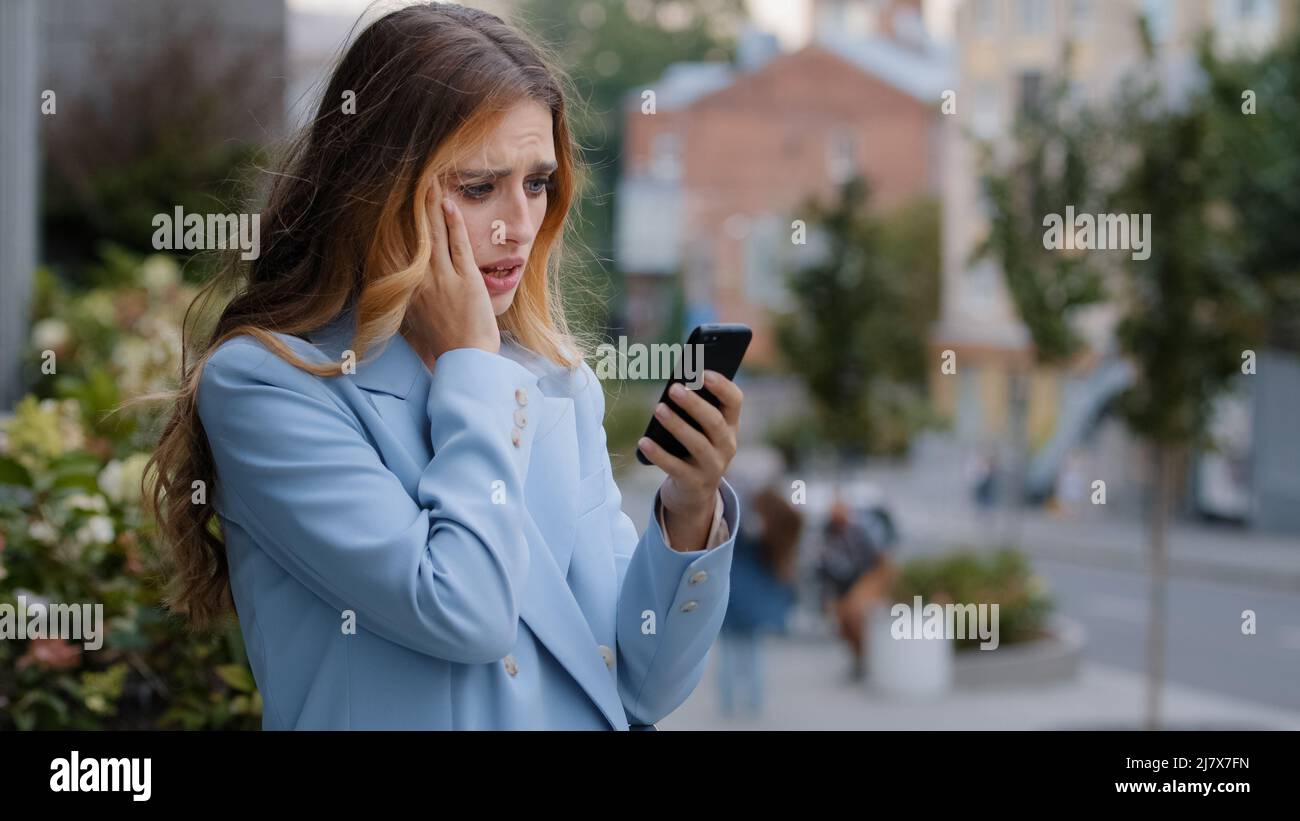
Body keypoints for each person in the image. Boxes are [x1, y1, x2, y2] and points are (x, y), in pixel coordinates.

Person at [146, 3, 745, 730]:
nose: (518, 226)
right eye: (477, 186)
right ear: (376, 186)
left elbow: (642, 682)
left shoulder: (555, 382)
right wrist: (469, 366)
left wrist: (688, 512)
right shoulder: (269, 385)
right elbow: (465, 613)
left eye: (536, 182)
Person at [715, 486, 801, 718]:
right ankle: (753, 702)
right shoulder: (769, 537)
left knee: (729, 653)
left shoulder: (743, 530)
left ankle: (729, 704)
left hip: (730, 600)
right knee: (751, 652)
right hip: (749, 606)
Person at [815, 499, 896, 682]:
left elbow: (881, 561)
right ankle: (860, 660)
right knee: (843, 626)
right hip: (843, 586)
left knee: (854, 616)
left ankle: (870, 661)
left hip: (866, 579)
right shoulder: (828, 535)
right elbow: (824, 570)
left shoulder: (860, 532)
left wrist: (877, 587)